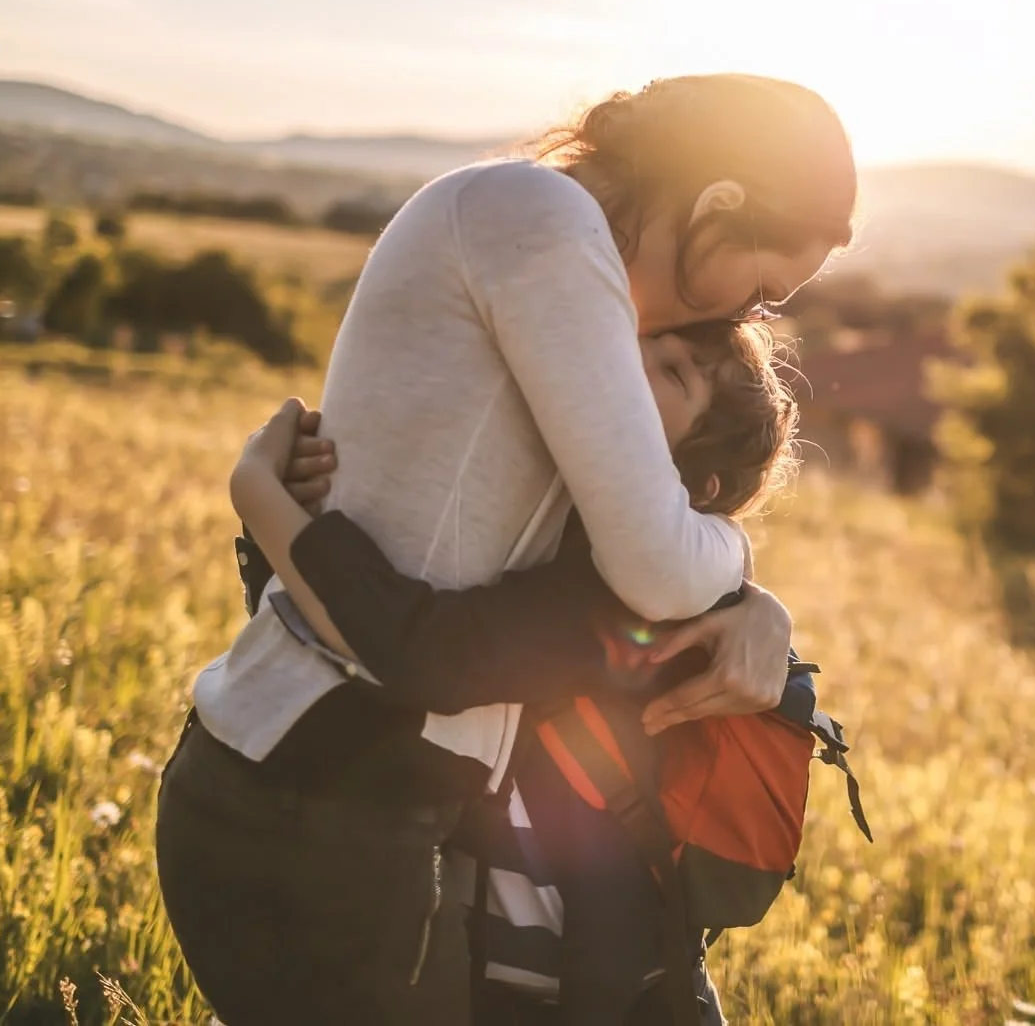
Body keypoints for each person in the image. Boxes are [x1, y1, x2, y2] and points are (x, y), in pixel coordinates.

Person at [154, 74, 858, 1024]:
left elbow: (579, 560)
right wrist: (731, 567)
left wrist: (754, 606)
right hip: (311, 801)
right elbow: (633, 573)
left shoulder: (561, 288)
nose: (746, 315)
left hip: (348, 799)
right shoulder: (537, 217)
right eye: (764, 285)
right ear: (718, 203)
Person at [227, 318, 800, 1024]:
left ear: (697, 482)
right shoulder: (538, 514)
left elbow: (425, 653)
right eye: (641, 343)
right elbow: (338, 642)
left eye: (673, 373)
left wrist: (261, 496)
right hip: (488, 957)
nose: (629, 364)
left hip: (594, 990)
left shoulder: (626, 591)